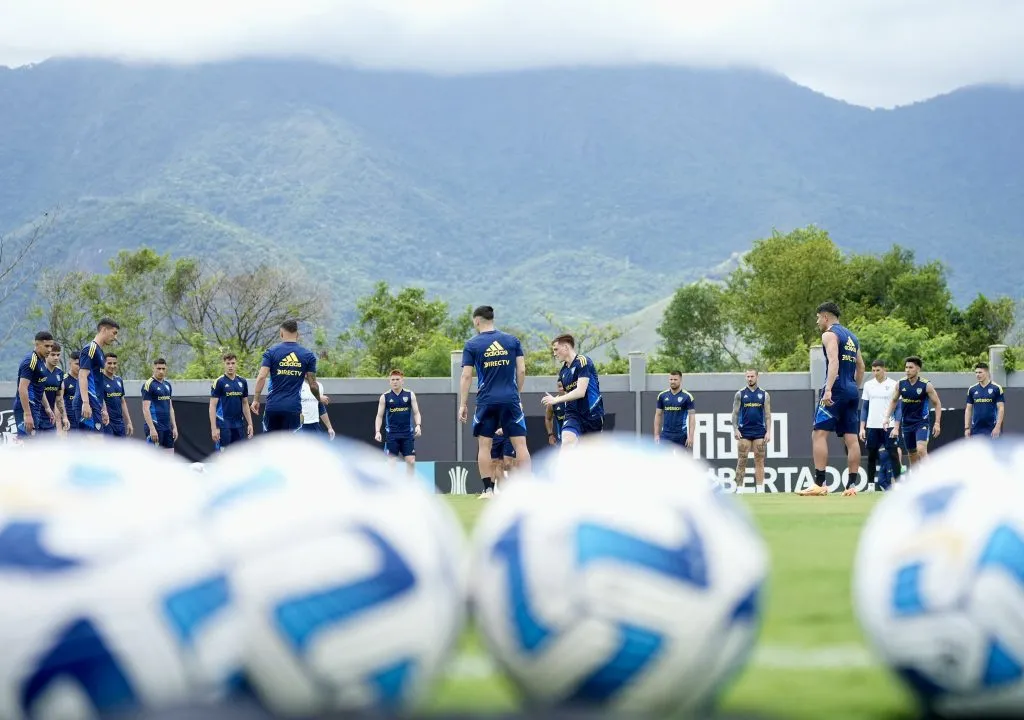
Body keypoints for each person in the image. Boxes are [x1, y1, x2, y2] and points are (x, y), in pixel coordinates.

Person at [459, 305, 532, 491]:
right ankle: (527, 489)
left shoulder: (472, 344)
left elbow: (466, 376)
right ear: (492, 319)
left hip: (486, 401)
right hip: (510, 399)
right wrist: (517, 395)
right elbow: (522, 370)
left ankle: (487, 490)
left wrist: (462, 404)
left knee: (485, 445)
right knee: (520, 444)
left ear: (477, 321)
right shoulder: (512, 341)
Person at [799, 302, 865, 497]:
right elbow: (861, 367)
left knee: (818, 434)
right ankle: (851, 487)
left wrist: (828, 389)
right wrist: (854, 387)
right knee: (851, 439)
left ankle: (820, 484)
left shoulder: (829, 334)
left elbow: (834, 361)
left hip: (835, 390)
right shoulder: (852, 337)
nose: (818, 321)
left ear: (826, 317)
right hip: (852, 390)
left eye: (818, 317)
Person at [251, 319, 320, 433]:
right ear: (297, 334)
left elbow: (262, 377)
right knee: (290, 447)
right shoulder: (308, 355)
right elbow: (313, 385)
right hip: (293, 408)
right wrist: (319, 399)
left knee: (271, 444)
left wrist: (256, 399)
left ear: (281, 333)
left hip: (273, 407)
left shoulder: (271, 352)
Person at [543, 334, 604, 446]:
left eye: (556, 349)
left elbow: (580, 392)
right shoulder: (563, 372)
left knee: (590, 455)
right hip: (573, 415)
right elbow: (568, 395)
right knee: (567, 441)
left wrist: (555, 400)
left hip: (592, 413)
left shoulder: (583, 361)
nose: (554, 354)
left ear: (566, 347)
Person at [885, 356, 942, 470]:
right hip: (906, 424)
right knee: (912, 453)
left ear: (918, 369)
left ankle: (931, 477)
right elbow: (894, 400)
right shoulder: (900, 384)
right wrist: (886, 417)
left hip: (921, 422)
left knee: (921, 449)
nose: (907, 370)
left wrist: (937, 423)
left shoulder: (926, 385)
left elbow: (937, 403)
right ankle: (916, 481)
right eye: (906, 367)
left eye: (911, 367)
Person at [859, 359, 902, 489]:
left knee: (893, 454)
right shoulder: (868, 385)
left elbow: (898, 407)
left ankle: (898, 484)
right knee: (871, 455)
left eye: (878, 370)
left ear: (884, 369)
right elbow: (865, 407)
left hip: (889, 426)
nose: (875, 373)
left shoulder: (894, 384)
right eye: (873, 370)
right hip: (872, 426)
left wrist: (896, 426)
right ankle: (871, 485)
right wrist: (862, 427)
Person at [75, 319, 119, 434]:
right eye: (114, 333)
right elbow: (82, 375)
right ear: (104, 330)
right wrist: (85, 403)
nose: (115, 337)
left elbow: (98, 382)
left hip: (96, 403)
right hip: (88, 402)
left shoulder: (99, 351)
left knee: (97, 444)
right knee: (90, 444)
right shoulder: (90, 348)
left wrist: (103, 407)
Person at [374, 369, 420, 476]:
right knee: (391, 464)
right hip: (392, 435)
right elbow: (379, 416)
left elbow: (417, 413)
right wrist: (377, 431)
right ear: (389, 381)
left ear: (402, 381)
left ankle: (409, 487)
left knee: (411, 461)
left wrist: (418, 425)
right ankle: (392, 489)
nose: (395, 381)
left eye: (397, 379)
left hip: (407, 434)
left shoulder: (410, 395)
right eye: (393, 379)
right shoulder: (385, 397)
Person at [732, 368, 771, 492]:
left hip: (760, 432)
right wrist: (735, 429)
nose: (750, 379)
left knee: (759, 460)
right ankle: (739, 489)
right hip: (744, 432)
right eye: (747, 376)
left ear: (757, 377)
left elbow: (768, 415)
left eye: (752, 376)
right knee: (742, 460)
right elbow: (735, 414)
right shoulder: (740, 394)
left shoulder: (764, 394)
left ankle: (759, 489)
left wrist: (768, 432)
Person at [13, 331, 55, 438]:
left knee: (34, 443)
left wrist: (47, 407)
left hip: (36, 407)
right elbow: (22, 389)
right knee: (27, 444)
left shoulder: (42, 361)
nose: (49, 349)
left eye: (51, 346)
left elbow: (39, 386)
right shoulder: (31, 361)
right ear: (37, 344)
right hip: (26, 408)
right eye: (46, 346)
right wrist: (27, 414)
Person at [210, 353, 254, 450]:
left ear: (236, 364)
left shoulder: (242, 381)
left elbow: (245, 403)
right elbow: (212, 406)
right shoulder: (219, 382)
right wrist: (214, 428)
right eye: (228, 363)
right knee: (224, 456)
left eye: (233, 363)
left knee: (238, 455)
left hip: (239, 425)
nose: (230, 366)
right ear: (224, 364)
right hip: (223, 425)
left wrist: (250, 423)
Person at [654, 370, 695, 452]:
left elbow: (692, 417)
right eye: (671, 379)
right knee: (663, 461)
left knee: (682, 461)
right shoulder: (662, 396)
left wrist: (691, 436)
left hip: (681, 435)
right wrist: (656, 434)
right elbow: (658, 415)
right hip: (665, 434)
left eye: (675, 379)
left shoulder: (687, 397)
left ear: (680, 380)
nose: (673, 382)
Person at [142, 358, 177, 452]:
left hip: (167, 427)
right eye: (158, 368)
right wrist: (152, 429)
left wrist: (174, 427)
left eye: (163, 369)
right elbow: (145, 409)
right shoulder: (148, 384)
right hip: (156, 427)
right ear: (153, 368)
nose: (161, 371)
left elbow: (171, 408)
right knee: (154, 460)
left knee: (169, 458)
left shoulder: (167, 385)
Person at [965, 361, 1005, 438]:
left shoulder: (996, 388)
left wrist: (997, 427)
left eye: (980, 372)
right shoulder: (972, 389)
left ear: (987, 373)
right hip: (976, 429)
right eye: (976, 372)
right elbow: (968, 409)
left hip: (992, 429)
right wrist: (966, 428)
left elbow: (1001, 408)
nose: (977, 375)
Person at [36, 343, 67, 436]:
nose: (56, 358)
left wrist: (64, 417)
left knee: (51, 448)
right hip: (36, 415)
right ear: (47, 354)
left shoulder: (59, 373)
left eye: (58, 355)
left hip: (50, 418)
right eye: (53, 355)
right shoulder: (39, 370)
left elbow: (59, 398)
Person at [100, 353, 133, 438]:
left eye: (115, 363)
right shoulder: (99, 380)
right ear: (103, 363)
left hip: (120, 423)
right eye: (109, 363)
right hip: (107, 423)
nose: (112, 366)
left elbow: (122, 402)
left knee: (121, 450)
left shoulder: (119, 380)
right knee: (109, 450)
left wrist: (129, 422)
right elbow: (98, 400)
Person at [300, 375, 336, 439]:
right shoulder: (296, 386)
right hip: (300, 426)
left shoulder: (319, 386)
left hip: (315, 425)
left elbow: (321, 407)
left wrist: (330, 428)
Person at [544, 380, 566, 447]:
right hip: (562, 438)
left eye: (563, 386)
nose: (562, 388)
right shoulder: (552, 403)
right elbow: (548, 419)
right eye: (559, 386)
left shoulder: (575, 400)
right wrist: (550, 435)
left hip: (578, 436)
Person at [63, 355, 80, 433]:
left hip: (85, 419)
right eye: (77, 364)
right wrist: (64, 418)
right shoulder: (64, 380)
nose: (79, 367)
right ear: (70, 363)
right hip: (71, 420)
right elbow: (58, 401)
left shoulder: (86, 380)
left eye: (81, 364)